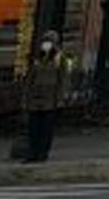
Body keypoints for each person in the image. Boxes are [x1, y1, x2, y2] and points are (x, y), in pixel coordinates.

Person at [20, 31, 74, 162]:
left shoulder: (60, 59)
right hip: (35, 99)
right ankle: (32, 153)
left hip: (51, 100)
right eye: (45, 40)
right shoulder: (37, 58)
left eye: (50, 41)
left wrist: (60, 99)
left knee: (46, 130)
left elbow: (63, 80)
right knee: (33, 128)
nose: (47, 44)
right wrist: (25, 98)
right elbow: (30, 79)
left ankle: (42, 153)